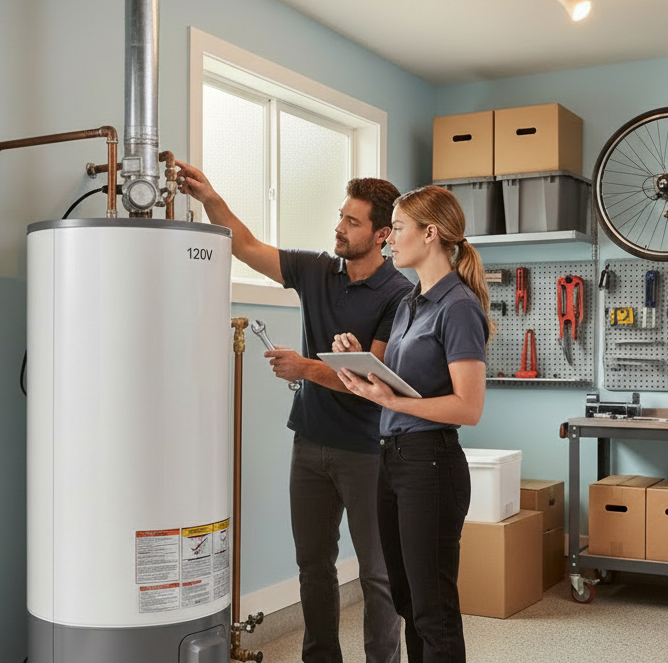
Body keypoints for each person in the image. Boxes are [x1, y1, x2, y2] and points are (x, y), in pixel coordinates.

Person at [176, 160, 410, 663]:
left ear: (383, 234)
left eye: (353, 222)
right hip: (310, 443)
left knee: (378, 573)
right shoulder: (316, 269)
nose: (339, 228)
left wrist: (306, 369)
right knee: (313, 566)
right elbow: (246, 245)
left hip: (370, 452)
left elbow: (375, 379)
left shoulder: (400, 295)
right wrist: (209, 196)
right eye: (340, 217)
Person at [333, 185, 490, 663]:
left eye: (397, 229)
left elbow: (468, 407)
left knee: (432, 608)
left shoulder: (458, 307)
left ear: (431, 233)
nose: (389, 240)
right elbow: (403, 384)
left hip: (431, 464)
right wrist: (361, 371)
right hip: (392, 460)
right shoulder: (408, 304)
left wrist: (392, 401)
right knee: (405, 599)